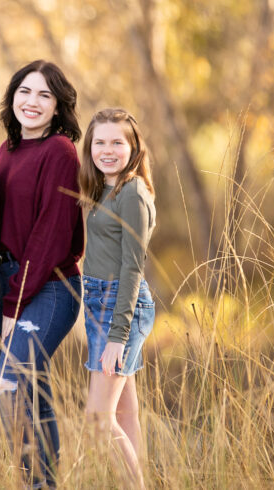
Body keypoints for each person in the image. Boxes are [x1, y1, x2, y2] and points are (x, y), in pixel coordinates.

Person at [0, 61, 83, 488]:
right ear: (12, 96)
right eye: (25, 91)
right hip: (6, 280)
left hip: (48, 285)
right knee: (33, 390)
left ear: (58, 106)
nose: (32, 102)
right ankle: (42, 483)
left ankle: (37, 482)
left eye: (45, 95)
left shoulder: (60, 151)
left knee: (12, 384)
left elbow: (50, 233)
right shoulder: (6, 149)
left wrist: (15, 301)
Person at [79, 108, 157, 488]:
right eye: (100, 142)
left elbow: (132, 267)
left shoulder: (133, 193)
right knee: (125, 412)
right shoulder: (105, 187)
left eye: (117, 142)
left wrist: (117, 336)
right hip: (99, 301)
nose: (107, 150)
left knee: (98, 419)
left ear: (133, 147)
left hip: (119, 307)